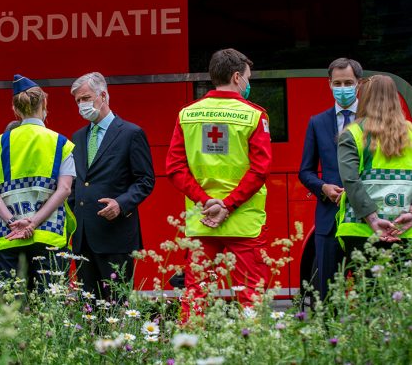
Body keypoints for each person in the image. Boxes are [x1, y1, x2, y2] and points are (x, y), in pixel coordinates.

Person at [166, 48, 272, 320]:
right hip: (244, 222)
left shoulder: (187, 114)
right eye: (247, 78)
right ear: (237, 77)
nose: (248, 83)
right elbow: (260, 169)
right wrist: (228, 205)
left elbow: (175, 168)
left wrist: (206, 201)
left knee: (196, 293)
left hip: (202, 220)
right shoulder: (254, 115)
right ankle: (254, 355)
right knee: (250, 294)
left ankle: (189, 353)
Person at [0, 75, 75, 290]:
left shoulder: (0, 142)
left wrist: (12, 220)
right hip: (49, 235)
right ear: (44, 104)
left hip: (9, 234)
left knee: (12, 310)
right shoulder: (61, 143)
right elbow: (65, 189)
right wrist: (33, 223)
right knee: (49, 309)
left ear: (16, 110)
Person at [69, 72, 155, 300]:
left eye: (86, 98)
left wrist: (121, 203)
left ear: (103, 95)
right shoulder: (77, 137)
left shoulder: (130, 133)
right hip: (83, 238)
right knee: (87, 308)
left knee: (117, 305)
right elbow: (78, 182)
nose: (82, 105)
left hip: (116, 235)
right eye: (78, 101)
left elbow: (145, 180)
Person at [298, 58, 363, 300]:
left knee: (367, 291)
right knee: (326, 294)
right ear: (329, 84)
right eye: (338, 83)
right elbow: (305, 171)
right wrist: (323, 187)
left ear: (359, 84)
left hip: (364, 219)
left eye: (348, 82)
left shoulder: (371, 120)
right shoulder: (317, 122)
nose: (343, 88)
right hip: (327, 220)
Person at [336, 75, 412, 257]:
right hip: (404, 230)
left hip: (360, 230)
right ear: (395, 98)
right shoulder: (410, 131)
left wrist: (373, 220)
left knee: (367, 285)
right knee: (401, 285)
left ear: (364, 98)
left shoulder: (353, 133)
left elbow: (350, 181)